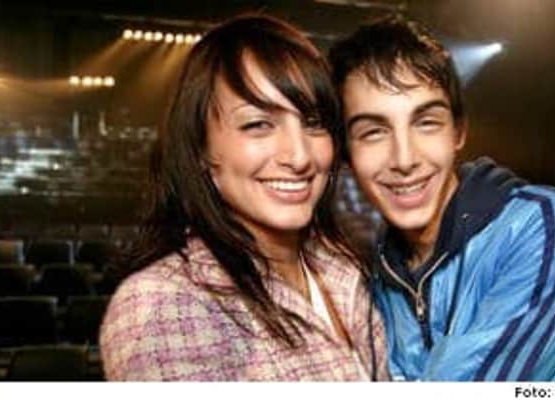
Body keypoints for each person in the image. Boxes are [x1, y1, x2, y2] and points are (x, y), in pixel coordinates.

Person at [328, 16, 555, 381]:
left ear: (459, 132)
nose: (404, 159)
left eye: (427, 123)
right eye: (373, 132)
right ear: (347, 155)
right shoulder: (377, 279)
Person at [100, 14, 386, 381]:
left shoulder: (342, 268)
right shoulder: (165, 303)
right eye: (258, 124)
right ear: (201, 150)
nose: (299, 156)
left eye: (314, 123)